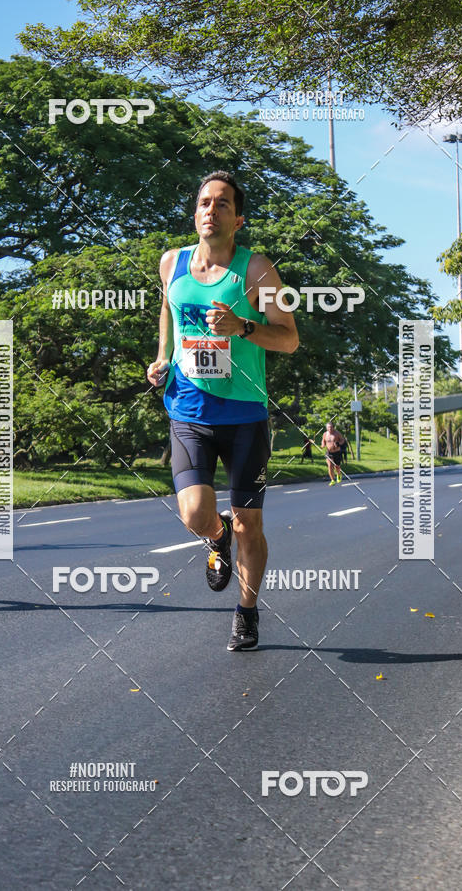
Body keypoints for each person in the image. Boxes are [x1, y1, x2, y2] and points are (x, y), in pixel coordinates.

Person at [147, 171, 299, 650]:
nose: (210, 211)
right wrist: (162, 356)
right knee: (195, 511)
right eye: (203, 203)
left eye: (222, 204)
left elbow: (289, 339)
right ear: (195, 213)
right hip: (189, 407)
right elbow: (169, 311)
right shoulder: (171, 263)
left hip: (244, 416)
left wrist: (243, 327)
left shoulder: (258, 272)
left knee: (248, 522)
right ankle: (216, 539)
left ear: (238, 219)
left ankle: (246, 611)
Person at [321, 421, 346, 486]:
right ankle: (332, 480)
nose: (330, 429)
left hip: (337, 452)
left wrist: (339, 443)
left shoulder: (337, 433)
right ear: (326, 428)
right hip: (329, 452)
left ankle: (338, 474)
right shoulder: (325, 434)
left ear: (333, 427)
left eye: (331, 427)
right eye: (329, 427)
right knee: (330, 466)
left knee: (337, 466)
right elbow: (323, 441)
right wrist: (322, 445)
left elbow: (342, 440)